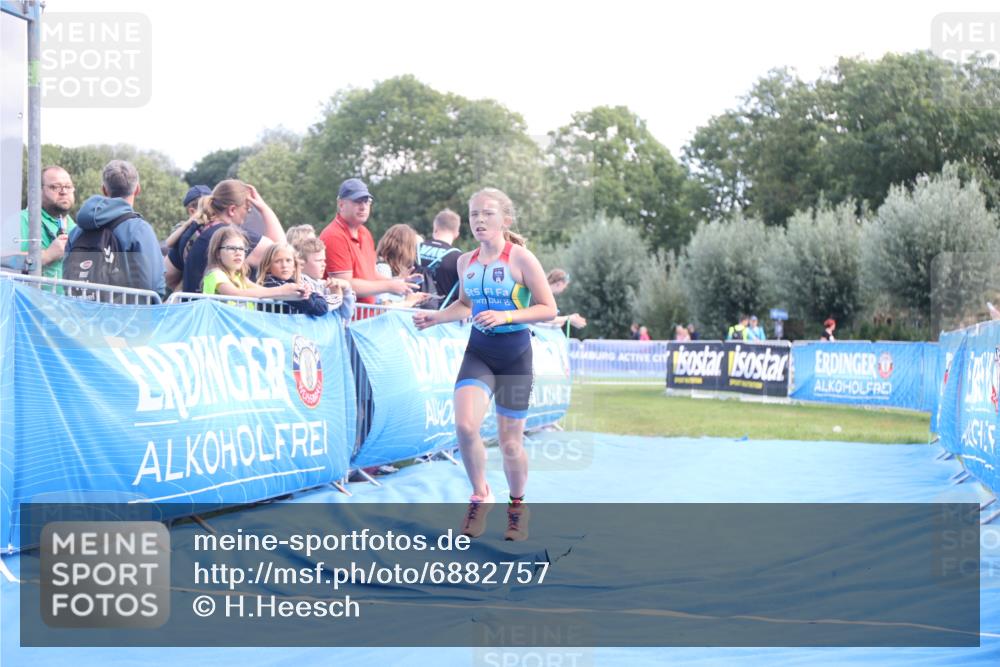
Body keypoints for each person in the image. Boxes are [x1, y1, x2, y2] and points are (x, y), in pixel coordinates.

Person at [413, 187, 556, 541]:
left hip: (515, 356)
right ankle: (480, 495)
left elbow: (548, 308)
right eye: (474, 214)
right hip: (479, 353)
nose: (479, 220)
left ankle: (517, 506)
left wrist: (507, 316)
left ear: (505, 220)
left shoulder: (521, 259)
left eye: (487, 213)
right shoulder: (466, 262)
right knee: (464, 426)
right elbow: (465, 305)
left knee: (510, 444)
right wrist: (437, 318)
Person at [166, 179, 285, 294]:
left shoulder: (192, 230)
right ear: (232, 209)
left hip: (191, 309)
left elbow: (168, 275)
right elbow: (282, 252)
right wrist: (264, 208)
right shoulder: (233, 236)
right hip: (224, 312)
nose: (247, 215)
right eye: (247, 209)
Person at [66, 160, 165, 297]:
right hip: (126, 316)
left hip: (80, 313)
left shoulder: (76, 231)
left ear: (104, 190)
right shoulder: (139, 229)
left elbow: (67, 278)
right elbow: (153, 285)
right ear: (137, 189)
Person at [319, 178, 415, 306]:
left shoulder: (365, 233)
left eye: (366, 201)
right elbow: (345, 284)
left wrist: (398, 281)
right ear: (341, 204)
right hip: (342, 320)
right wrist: (389, 286)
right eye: (357, 201)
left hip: (363, 318)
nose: (363, 206)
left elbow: (370, 274)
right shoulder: (333, 236)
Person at [201, 225, 304, 305]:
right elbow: (236, 294)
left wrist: (297, 291)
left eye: (241, 248)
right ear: (217, 253)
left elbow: (265, 291)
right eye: (231, 248)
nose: (238, 252)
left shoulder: (240, 277)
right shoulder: (216, 274)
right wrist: (281, 290)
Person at [16, 165, 77, 281]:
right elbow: (6, 261)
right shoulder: (24, 220)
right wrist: (48, 255)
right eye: (55, 187)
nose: (63, 192)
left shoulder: (76, 228)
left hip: (68, 299)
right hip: (32, 298)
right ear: (39, 191)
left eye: (68, 187)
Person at [257, 242, 328, 316]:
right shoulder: (269, 284)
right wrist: (307, 295)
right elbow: (306, 303)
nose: (284, 265)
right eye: (277, 261)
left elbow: (323, 307)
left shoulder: (294, 283)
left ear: (295, 266)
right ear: (268, 267)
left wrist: (308, 294)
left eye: (288, 260)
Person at [297, 236, 356, 319]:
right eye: (318, 261)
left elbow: (347, 314)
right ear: (301, 264)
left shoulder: (326, 285)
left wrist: (346, 288)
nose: (324, 264)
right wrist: (336, 297)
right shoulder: (299, 282)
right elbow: (316, 304)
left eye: (324, 260)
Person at [374, 223, 431, 307]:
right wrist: (409, 302)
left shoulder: (381, 264)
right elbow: (382, 306)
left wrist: (401, 280)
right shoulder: (383, 267)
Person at [418, 208, 463, 307]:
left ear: (435, 229)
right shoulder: (459, 258)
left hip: (408, 311)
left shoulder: (415, 248)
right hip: (441, 316)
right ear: (456, 234)